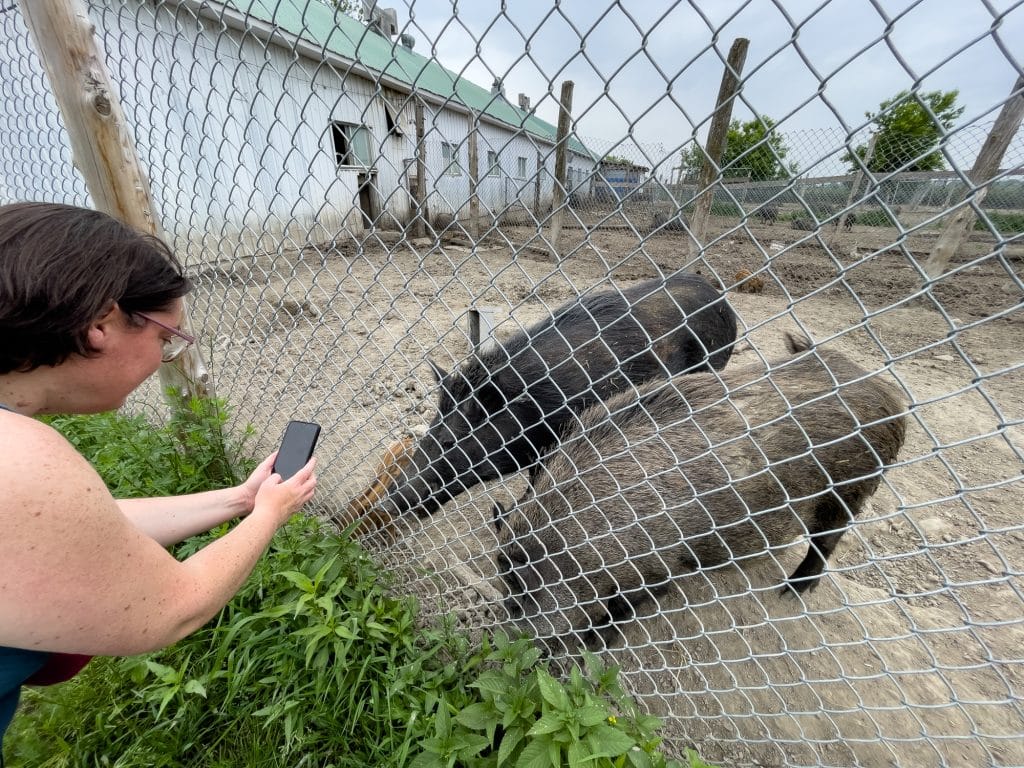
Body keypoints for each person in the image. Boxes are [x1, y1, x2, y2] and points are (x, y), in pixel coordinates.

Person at [0, 202, 318, 751]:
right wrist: (270, 515)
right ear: (99, 324)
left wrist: (242, 498)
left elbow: (77, 532)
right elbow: (173, 607)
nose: (164, 356)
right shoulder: (20, 458)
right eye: (165, 339)